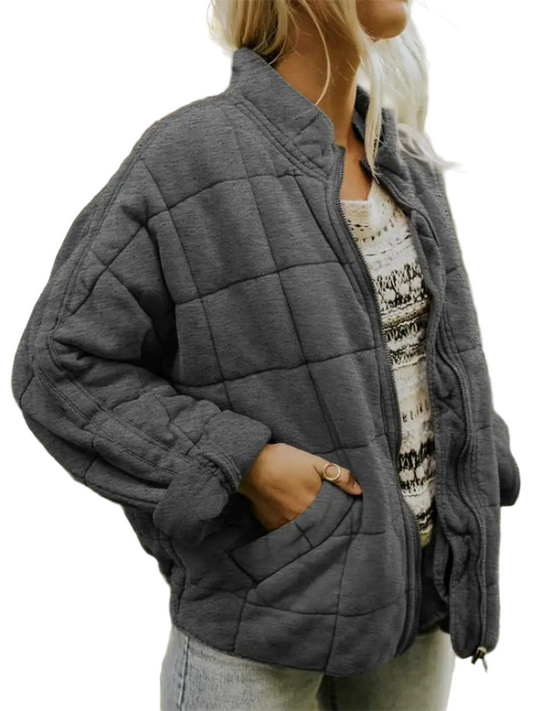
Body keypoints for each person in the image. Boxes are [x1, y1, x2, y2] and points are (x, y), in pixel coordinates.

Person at [11, 1, 520, 710]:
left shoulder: (402, 162)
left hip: (417, 601)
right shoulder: (192, 155)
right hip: (268, 611)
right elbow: (60, 364)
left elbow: (419, 352)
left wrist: (478, 455)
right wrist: (244, 464)